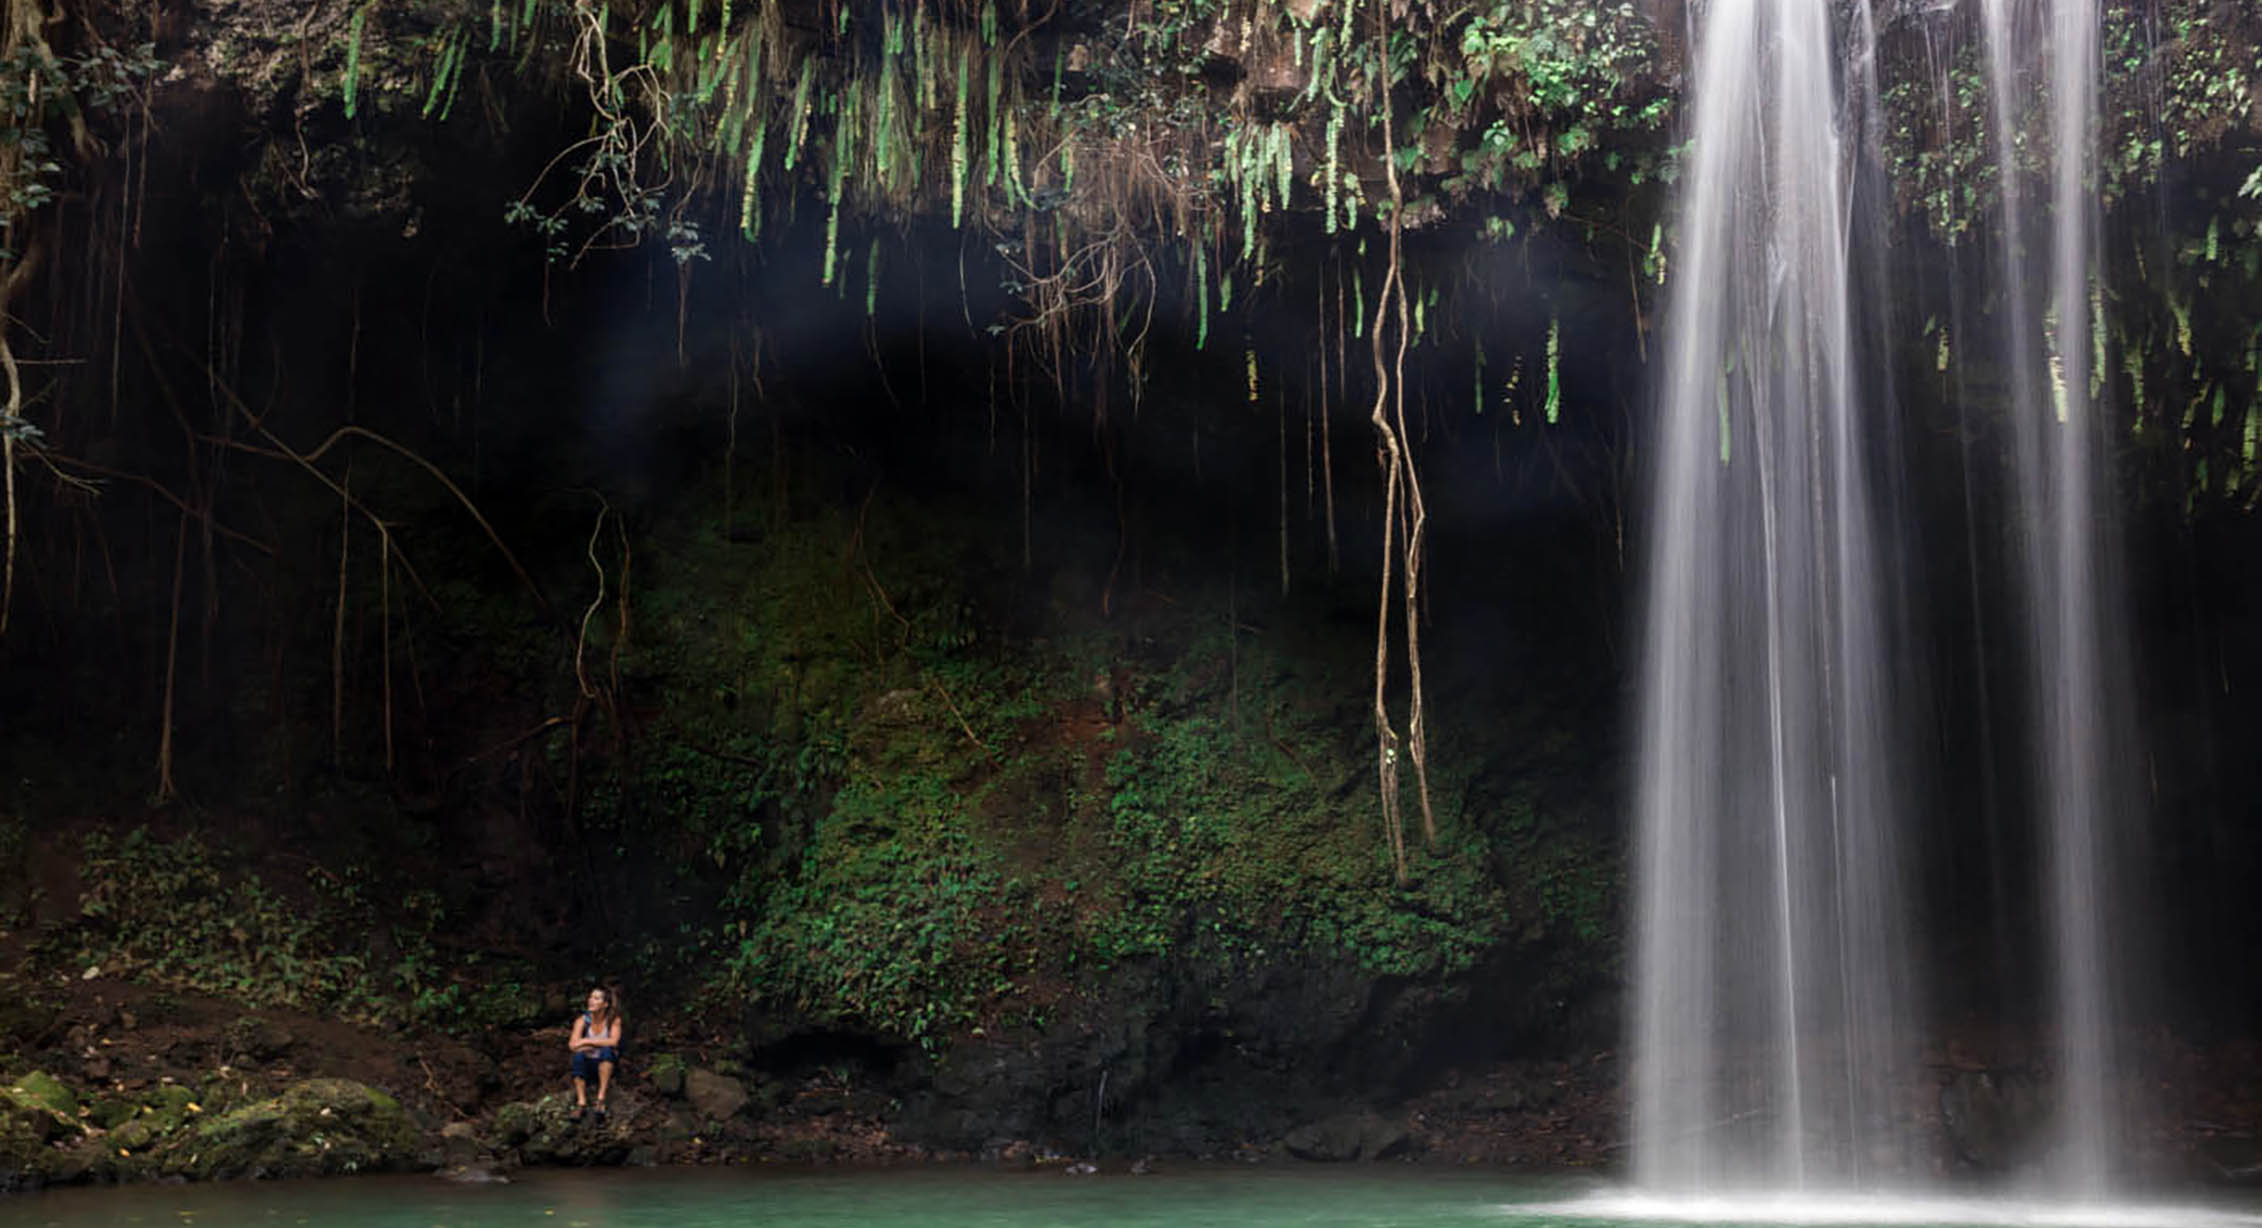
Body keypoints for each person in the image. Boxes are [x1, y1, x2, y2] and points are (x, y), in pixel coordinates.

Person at [568, 986, 624, 1121]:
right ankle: (581, 1103)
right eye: (591, 997)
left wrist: (587, 1041)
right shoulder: (582, 1021)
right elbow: (573, 1044)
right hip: (588, 1064)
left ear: (605, 1004)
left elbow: (614, 1042)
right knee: (578, 1056)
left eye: (596, 998)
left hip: (606, 1064)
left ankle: (601, 1099)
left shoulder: (613, 1020)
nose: (591, 1001)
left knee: (607, 1052)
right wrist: (592, 1044)